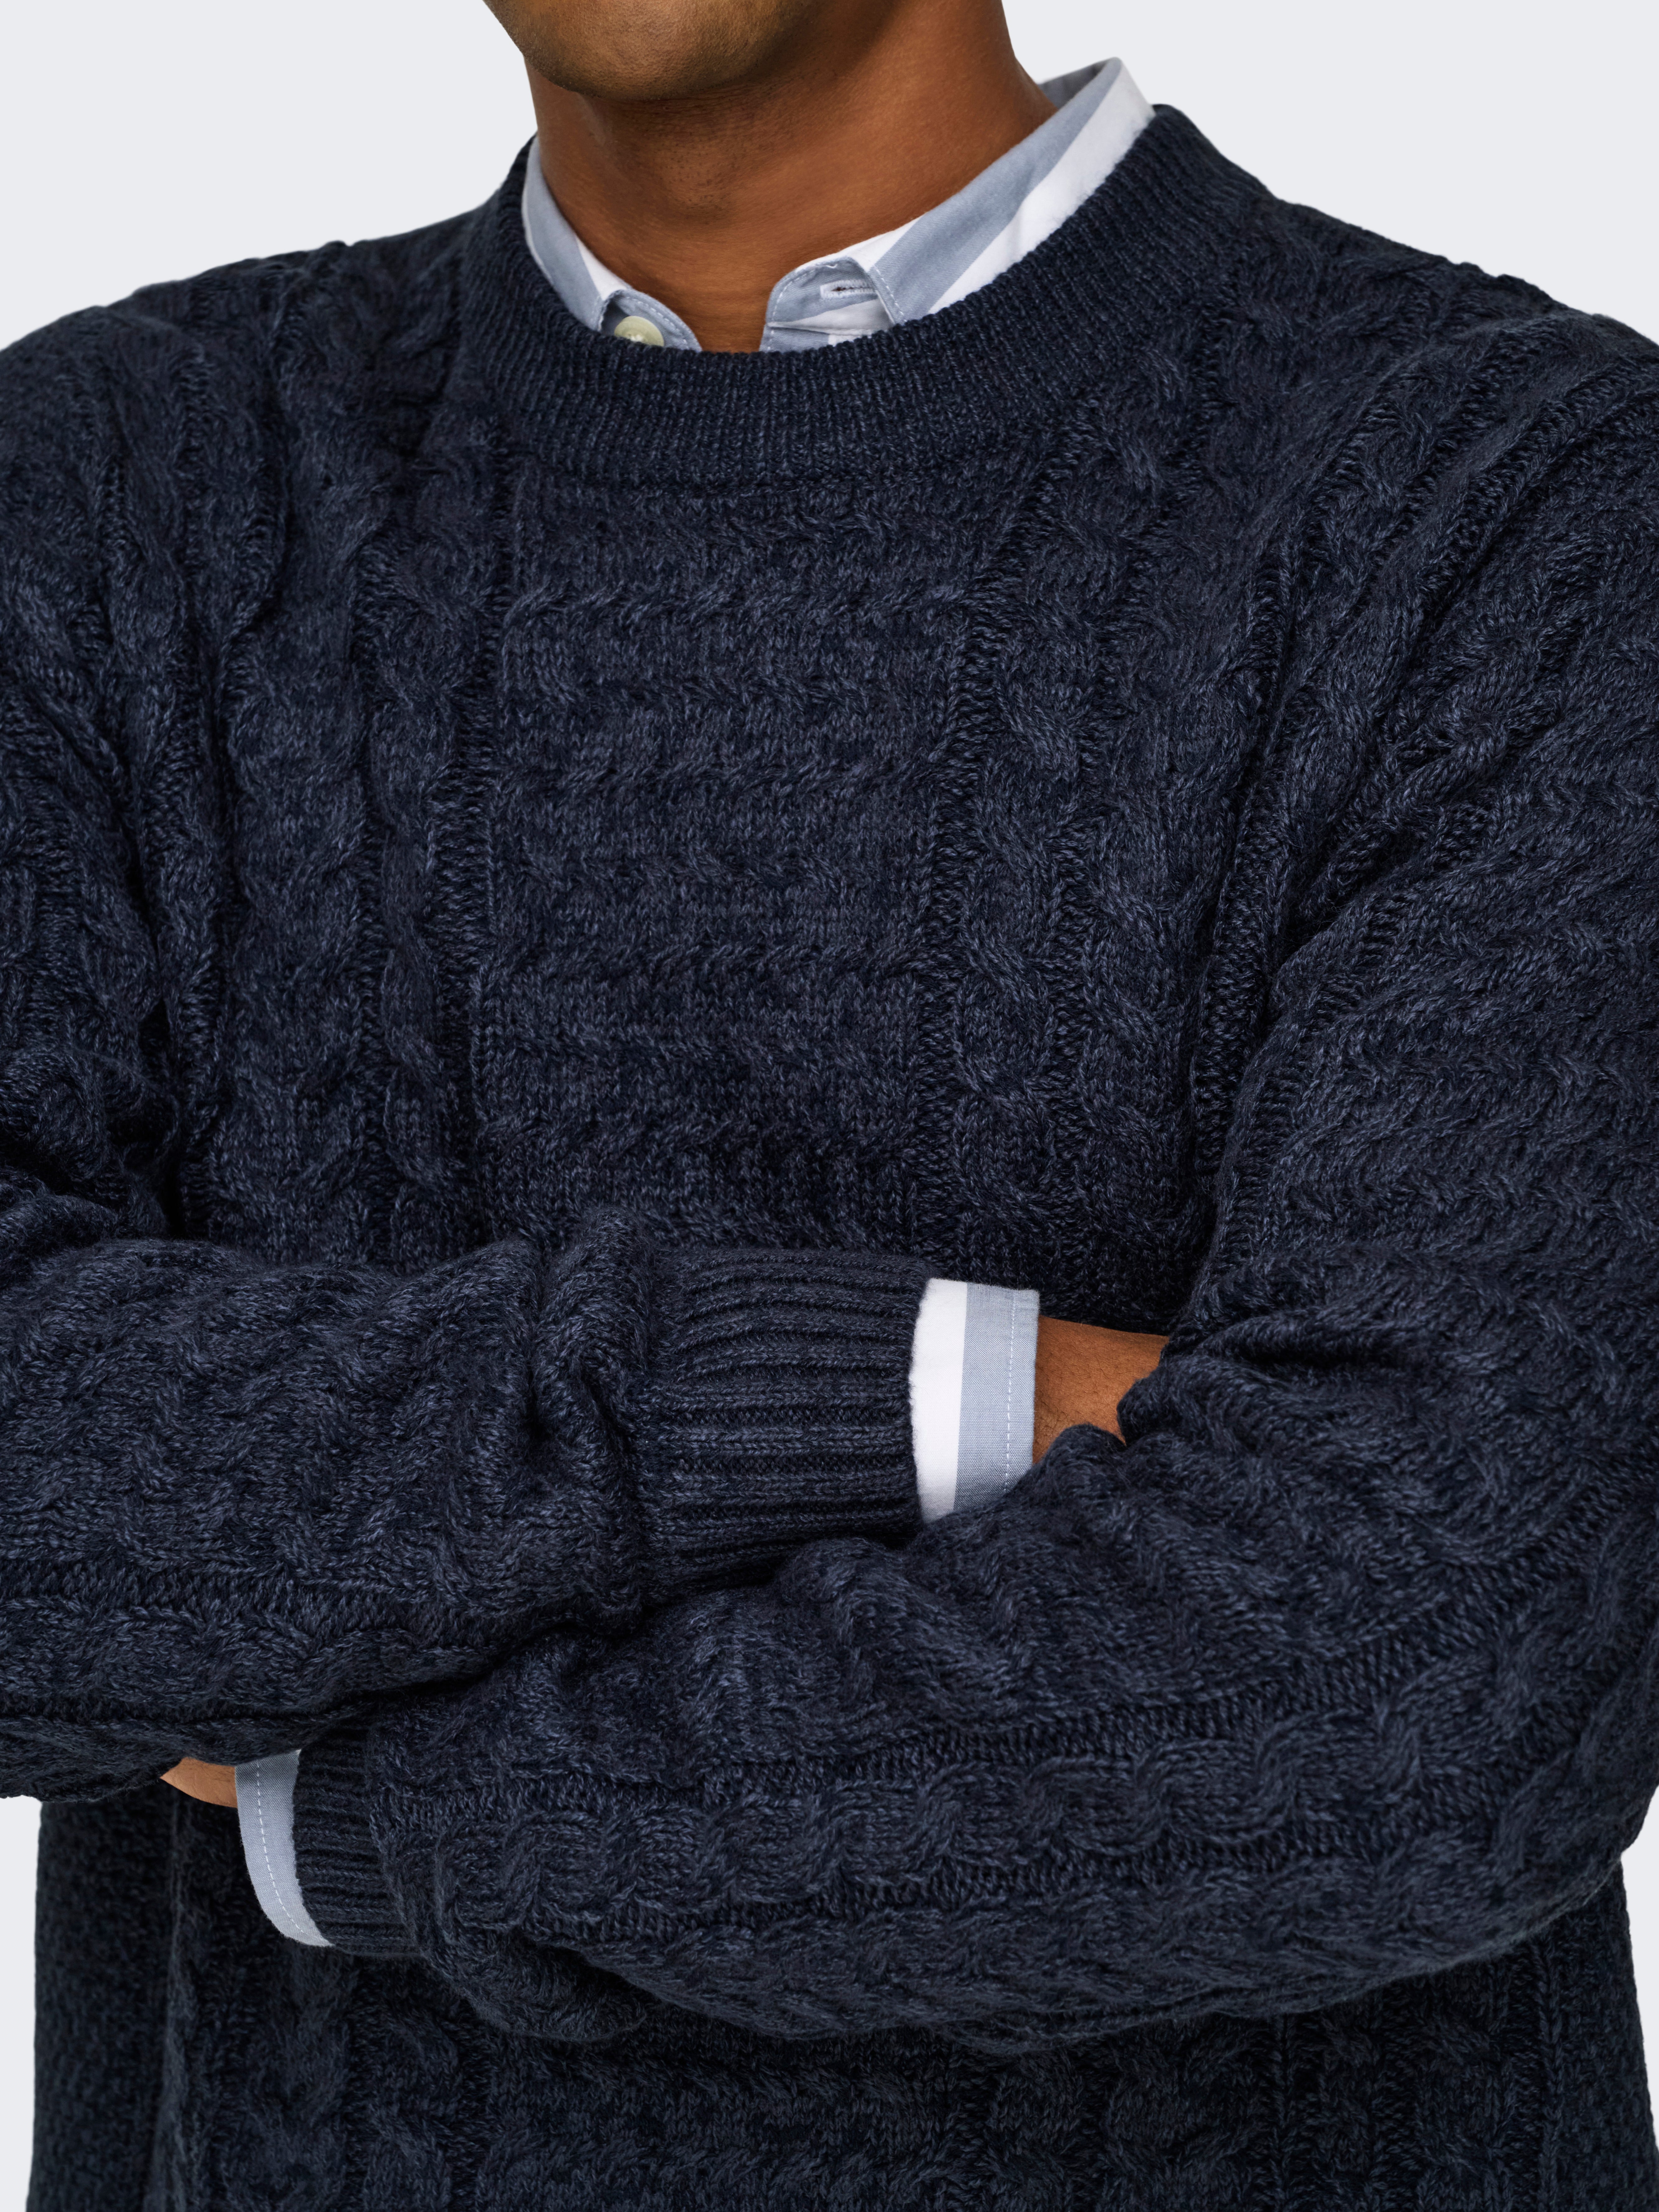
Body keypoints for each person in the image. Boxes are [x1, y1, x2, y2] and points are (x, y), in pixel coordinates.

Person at [2, 0, 1656, 2201]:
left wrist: (369, 1814)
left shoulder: (1522, 502)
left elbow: (1436, 1682)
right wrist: (904, 1401)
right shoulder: (104, 485)